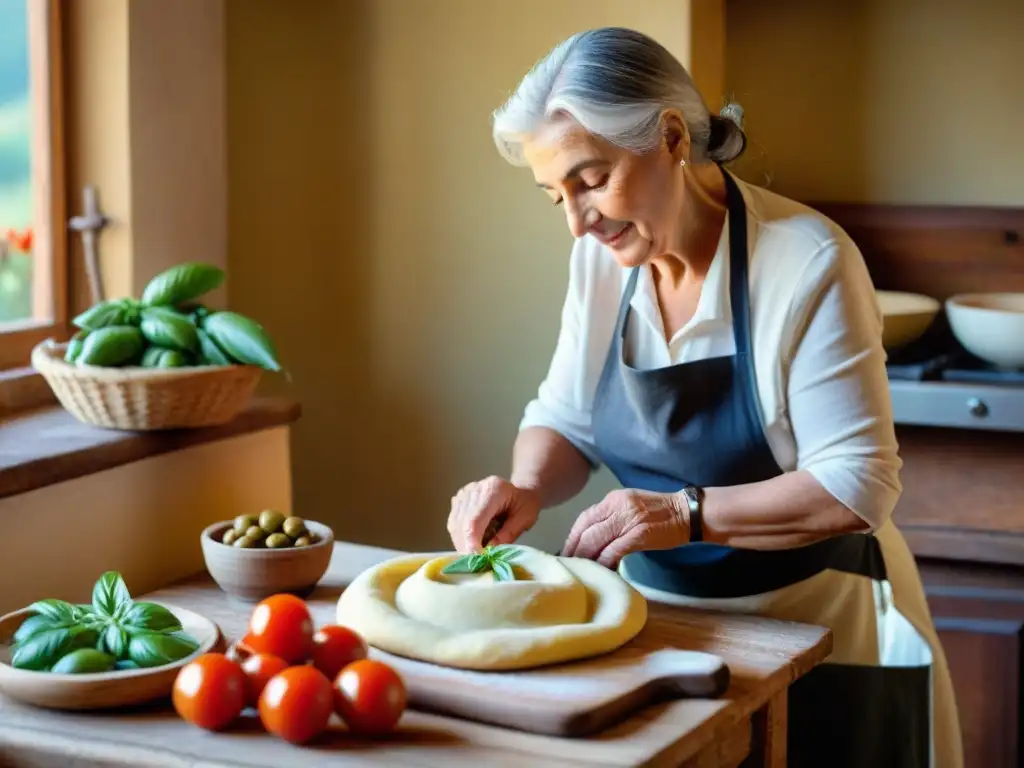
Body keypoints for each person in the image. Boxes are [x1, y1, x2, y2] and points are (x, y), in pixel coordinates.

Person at [446, 27, 963, 768]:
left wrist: (681, 513)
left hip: (817, 628)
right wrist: (526, 487)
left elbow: (857, 486)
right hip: (657, 633)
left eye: (590, 180)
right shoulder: (600, 259)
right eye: (555, 194)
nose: (577, 220)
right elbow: (565, 420)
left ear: (668, 137)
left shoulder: (808, 260)